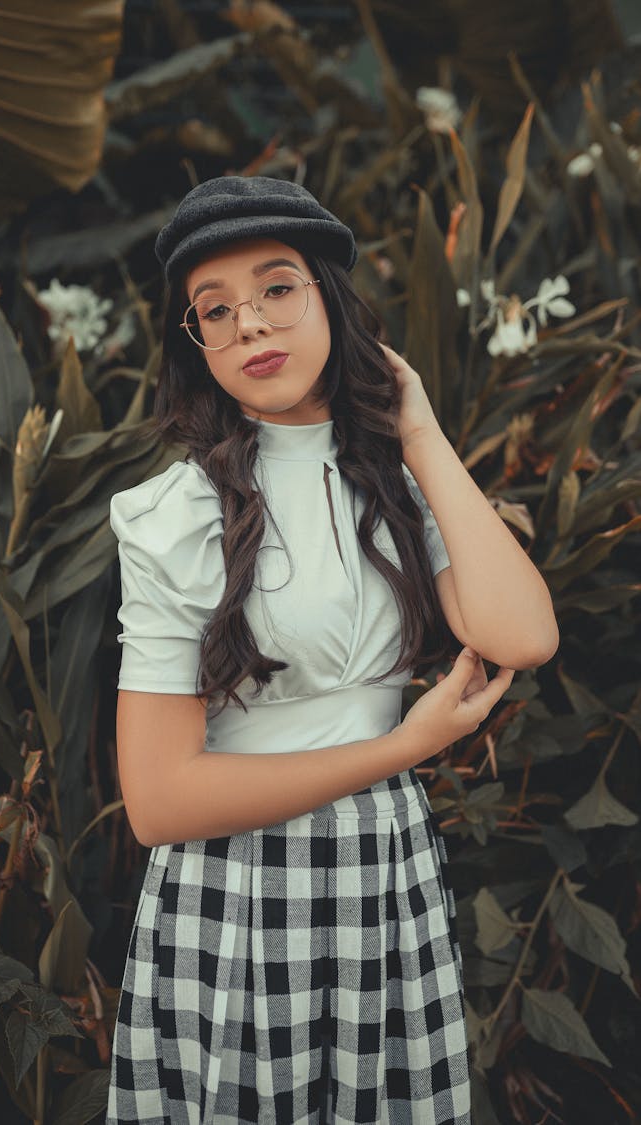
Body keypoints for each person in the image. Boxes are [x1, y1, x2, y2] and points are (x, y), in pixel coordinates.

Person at [105, 175, 559, 1125]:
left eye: (277, 288)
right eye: (214, 311)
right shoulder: (176, 515)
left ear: (328, 297)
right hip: (231, 895)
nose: (250, 328)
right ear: (196, 342)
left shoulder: (390, 480)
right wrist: (403, 747)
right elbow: (159, 800)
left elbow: (524, 633)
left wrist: (419, 429)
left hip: (380, 877)